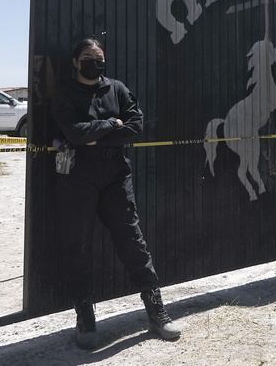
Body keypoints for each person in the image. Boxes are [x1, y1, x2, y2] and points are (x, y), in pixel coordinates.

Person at [50, 38, 181, 349]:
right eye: (87, 57)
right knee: (78, 245)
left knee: (133, 241)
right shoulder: (65, 94)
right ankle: (85, 316)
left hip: (115, 177)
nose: (94, 62)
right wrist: (111, 123)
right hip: (78, 178)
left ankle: (156, 310)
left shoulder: (117, 89)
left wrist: (96, 137)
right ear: (75, 61)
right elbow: (72, 133)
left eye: (99, 58)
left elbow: (135, 126)